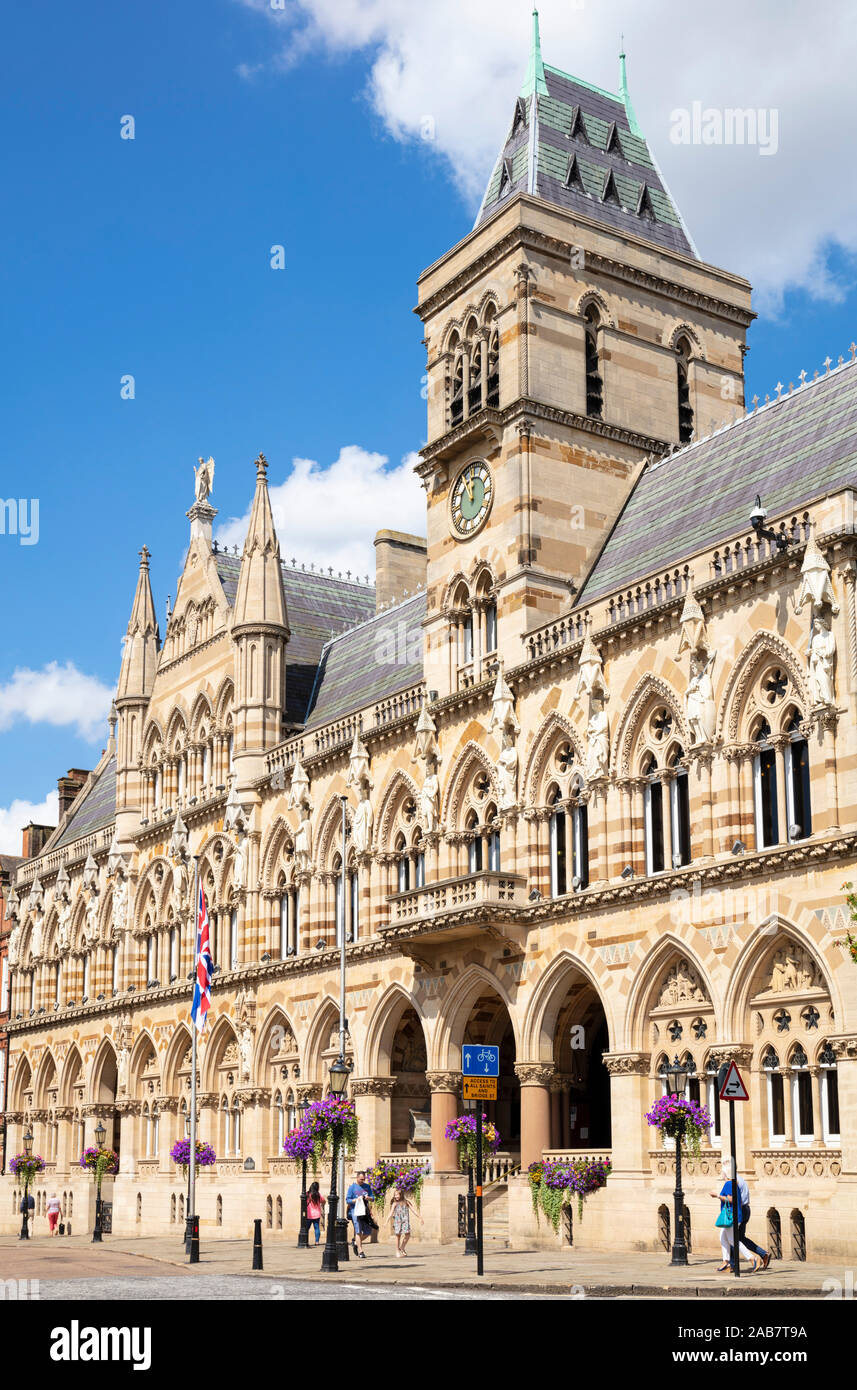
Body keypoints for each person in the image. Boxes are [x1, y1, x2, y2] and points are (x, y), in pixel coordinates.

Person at [710, 1159, 757, 1272]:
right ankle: (726, 1261)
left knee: (733, 1240)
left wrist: (717, 1196)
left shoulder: (729, 1183)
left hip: (732, 1217)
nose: (721, 1173)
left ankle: (752, 1258)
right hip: (735, 1215)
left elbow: (731, 1199)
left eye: (722, 1171)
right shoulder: (733, 1183)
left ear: (726, 1173)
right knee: (723, 1237)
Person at [735, 1172, 771, 1270]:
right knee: (740, 1238)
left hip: (740, 1210)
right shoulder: (741, 1179)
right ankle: (763, 1254)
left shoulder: (734, 1181)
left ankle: (732, 1264)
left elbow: (736, 1199)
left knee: (732, 1237)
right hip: (745, 1209)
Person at [388, 1186, 422, 1257]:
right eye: (395, 1195)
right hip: (398, 1222)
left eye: (397, 1195)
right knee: (398, 1236)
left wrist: (420, 1217)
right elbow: (390, 1213)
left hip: (405, 1221)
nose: (396, 1196)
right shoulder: (394, 1203)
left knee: (408, 1234)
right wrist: (386, 1221)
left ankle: (402, 1247)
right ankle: (397, 1251)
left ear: (401, 1195)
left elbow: (413, 1210)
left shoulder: (406, 1202)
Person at [345, 1170, 373, 1258]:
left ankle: (355, 1242)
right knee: (358, 1230)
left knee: (368, 1231)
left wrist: (368, 1198)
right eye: (361, 1179)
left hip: (365, 1211)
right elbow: (347, 1200)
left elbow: (372, 1198)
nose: (362, 1181)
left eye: (364, 1179)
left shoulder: (367, 1187)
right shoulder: (352, 1187)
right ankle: (361, 1251)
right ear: (357, 1178)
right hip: (355, 1211)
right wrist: (355, 1200)